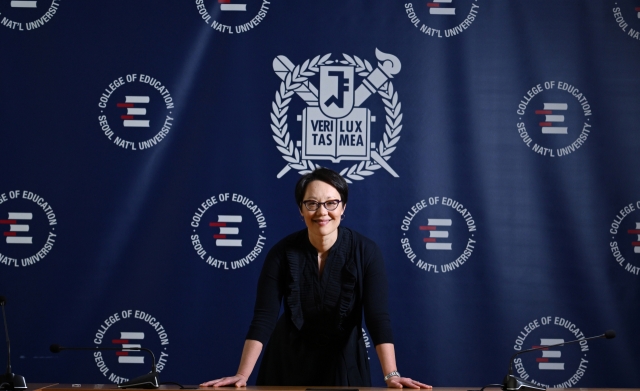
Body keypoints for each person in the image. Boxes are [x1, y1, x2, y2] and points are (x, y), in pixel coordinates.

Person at [201, 168, 430, 389]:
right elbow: (264, 317)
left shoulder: (366, 252)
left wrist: (392, 374)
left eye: (331, 203)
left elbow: (377, 318)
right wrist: (242, 374)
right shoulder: (281, 252)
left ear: (343, 208)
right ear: (301, 210)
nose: (322, 212)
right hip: (286, 364)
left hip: (344, 364)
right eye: (312, 203)